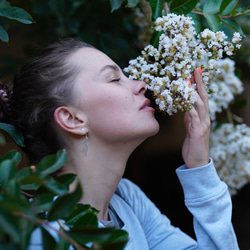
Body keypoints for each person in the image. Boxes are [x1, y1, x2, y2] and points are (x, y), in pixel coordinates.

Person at [0, 38, 239, 249]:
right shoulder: (44, 236)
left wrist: (199, 168)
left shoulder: (127, 201)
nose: (140, 84)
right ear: (72, 119)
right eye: (114, 79)